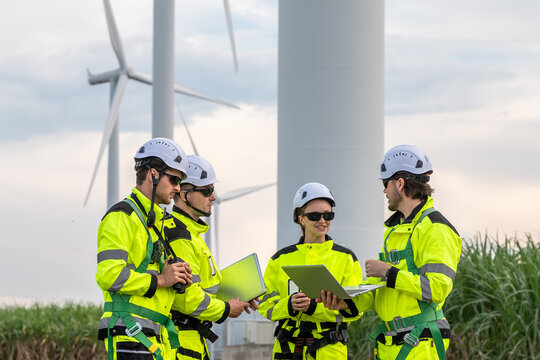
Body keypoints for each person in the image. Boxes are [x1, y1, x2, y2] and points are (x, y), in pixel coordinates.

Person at [320, 145, 462, 360]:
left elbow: (437, 288)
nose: (384, 191)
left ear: (400, 183)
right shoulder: (395, 231)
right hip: (392, 344)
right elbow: (386, 292)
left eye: (385, 184)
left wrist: (389, 272)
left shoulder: (435, 228)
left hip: (420, 343)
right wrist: (347, 304)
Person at [96, 137, 193, 360]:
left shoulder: (152, 222)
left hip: (154, 337)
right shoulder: (121, 217)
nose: (178, 188)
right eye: (174, 179)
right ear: (153, 174)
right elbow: (108, 275)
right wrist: (161, 280)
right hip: (131, 335)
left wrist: (176, 277)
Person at [163, 155, 257, 360]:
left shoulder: (192, 234)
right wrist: (226, 308)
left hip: (193, 340)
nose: (213, 197)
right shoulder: (180, 236)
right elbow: (186, 297)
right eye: (207, 191)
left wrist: (239, 294)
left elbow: (203, 287)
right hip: (181, 344)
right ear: (184, 193)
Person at [258, 182, 364, 360]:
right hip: (287, 349)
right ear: (301, 218)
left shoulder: (346, 258)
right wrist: (289, 305)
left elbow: (356, 308)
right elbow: (265, 304)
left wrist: (314, 308)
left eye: (328, 215)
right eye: (315, 215)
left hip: (329, 351)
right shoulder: (280, 259)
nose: (322, 221)